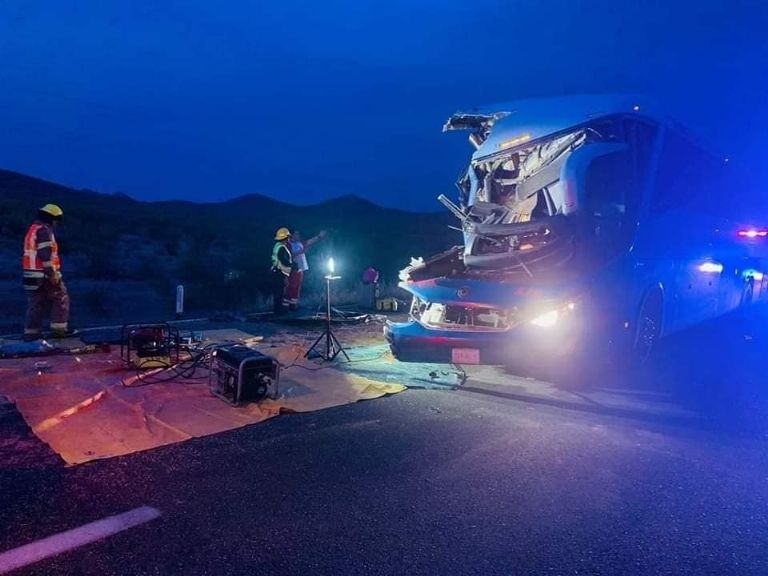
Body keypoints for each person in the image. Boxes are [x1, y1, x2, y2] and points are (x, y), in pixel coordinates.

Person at [22, 203, 71, 340]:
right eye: (56, 220)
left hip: (30, 274)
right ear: (51, 219)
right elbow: (45, 255)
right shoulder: (44, 231)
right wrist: (52, 274)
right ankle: (59, 332)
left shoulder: (32, 229)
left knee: (36, 304)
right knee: (61, 298)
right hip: (43, 274)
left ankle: (31, 334)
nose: (57, 223)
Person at [286, 229, 326, 310]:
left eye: (298, 234)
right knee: (291, 287)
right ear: (291, 235)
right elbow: (290, 256)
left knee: (297, 288)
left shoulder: (299, 243)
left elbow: (309, 242)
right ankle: (286, 306)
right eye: (296, 234)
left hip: (300, 269)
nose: (298, 235)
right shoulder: (288, 245)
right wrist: (302, 251)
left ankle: (293, 306)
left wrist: (319, 236)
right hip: (293, 270)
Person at [271, 227, 294, 315]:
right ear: (285, 238)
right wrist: (292, 265)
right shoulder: (282, 248)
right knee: (279, 292)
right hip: (280, 272)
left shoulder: (277, 246)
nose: (289, 239)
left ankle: (278, 310)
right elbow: (283, 260)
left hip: (276, 271)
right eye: (288, 237)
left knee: (278, 292)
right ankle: (279, 311)